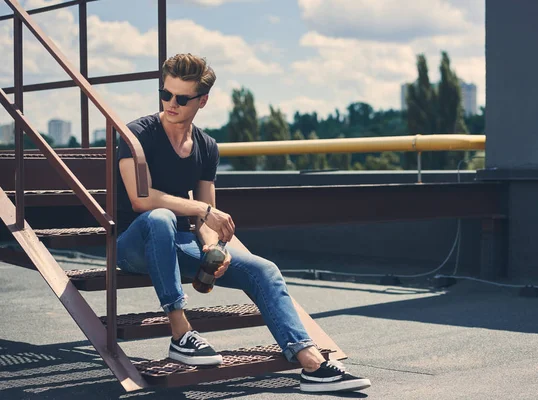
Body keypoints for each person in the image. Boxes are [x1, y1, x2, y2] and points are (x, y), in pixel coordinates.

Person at [115, 53, 371, 393]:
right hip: (133, 246)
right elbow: (141, 200)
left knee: (263, 269)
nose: (171, 103)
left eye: (181, 98)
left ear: (202, 101)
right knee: (159, 217)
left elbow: (207, 216)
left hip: (178, 243)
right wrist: (203, 212)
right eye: (165, 94)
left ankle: (309, 362)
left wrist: (209, 244)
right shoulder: (137, 135)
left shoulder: (206, 147)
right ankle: (180, 333)